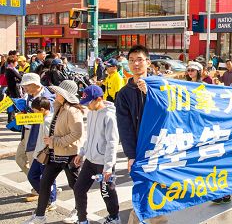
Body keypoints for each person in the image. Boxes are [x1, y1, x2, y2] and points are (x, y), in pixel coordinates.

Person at [115, 45, 169, 224]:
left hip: (161, 147)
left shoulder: (160, 86)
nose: (136, 64)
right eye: (131, 61)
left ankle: (150, 219)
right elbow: (125, 127)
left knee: (153, 188)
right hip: (140, 150)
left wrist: (149, 94)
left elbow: (169, 111)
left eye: (139, 60)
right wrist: (130, 155)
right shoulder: (123, 94)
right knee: (145, 188)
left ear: (148, 62)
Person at [22, 80, 84, 224]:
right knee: (44, 184)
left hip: (69, 155)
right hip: (55, 154)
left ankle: (79, 212)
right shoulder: (58, 107)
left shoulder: (72, 110)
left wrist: (55, 141)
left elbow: (77, 133)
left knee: (75, 186)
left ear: (65, 95)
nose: (55, 94)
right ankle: (39, 216)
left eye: (58, 92)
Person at [74, 85, 120, 224]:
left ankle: (114, 217)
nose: (87, 105)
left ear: (98, 99)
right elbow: (90, 136)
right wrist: (82, 153)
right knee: (79, 189)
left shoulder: (109, 116)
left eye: (89, 102)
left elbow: (112, 142)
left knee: (106, 192)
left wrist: (108, 166)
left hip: (103, 162)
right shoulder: (91, 112)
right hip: (90, 159)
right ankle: (82, 220)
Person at [26, 97, 58, 210]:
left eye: (35, 110)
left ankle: (51, 200)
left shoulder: (48, 121)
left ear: (43, 109)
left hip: (46, 154)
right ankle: (46, 197)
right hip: (39, 153)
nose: (34, 112)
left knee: (47, 179)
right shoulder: (43, 118)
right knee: (33, 176)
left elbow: (51, 139)